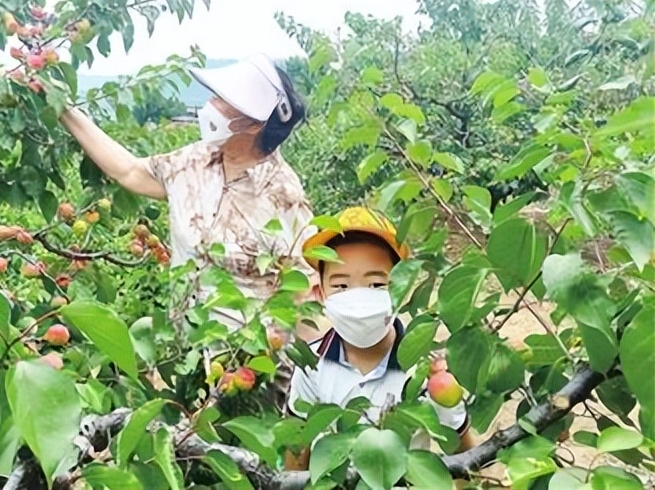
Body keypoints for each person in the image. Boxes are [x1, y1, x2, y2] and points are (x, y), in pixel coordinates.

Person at [59, 54, 317, 329]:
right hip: (185, 348)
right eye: (214, 96)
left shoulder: (282, 194)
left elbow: (305, 287)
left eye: (223, 103)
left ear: (254, 124)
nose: (210, 107)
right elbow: (130, 171)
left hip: (249, 360)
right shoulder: (194, 162)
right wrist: (62, 108)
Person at [284, 207, 477, 471]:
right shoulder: (311, 365)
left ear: (402, 287)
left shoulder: (425, 373)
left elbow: (465, 457)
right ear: (320, 294)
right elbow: (296, 455)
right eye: (341, 286)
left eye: (376, 284)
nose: (360, 297)